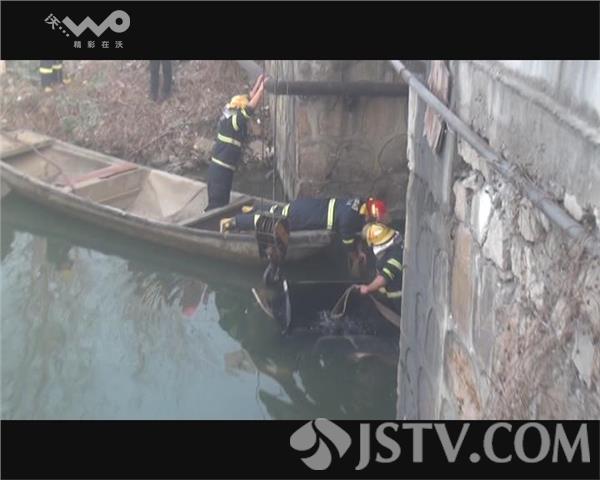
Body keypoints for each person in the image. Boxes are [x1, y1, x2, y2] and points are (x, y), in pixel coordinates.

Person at [220, 197, 388, 270]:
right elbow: (347, 240)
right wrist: (355, 256)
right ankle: (233, 222)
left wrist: (358, 248)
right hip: (306, 217)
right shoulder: (350, 217)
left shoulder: (359, 202)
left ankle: (254, 208)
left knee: (281, 211)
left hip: (307, 206)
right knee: (273, 223)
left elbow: (353, 230)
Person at [205, 74, 267, 211]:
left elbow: (248, 99)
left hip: (223, 170)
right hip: (220, 172)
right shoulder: (233, 121)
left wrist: (258, 84)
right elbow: (249, 109)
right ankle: (208, 222)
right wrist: (262, 90)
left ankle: (219, 221)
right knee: (216, 206)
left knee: (223, 204)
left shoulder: (230, 112)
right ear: (239, 109)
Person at [356, 222, 404, 314]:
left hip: (401, 300)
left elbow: (383, 278)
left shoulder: (395, 256)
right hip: (391, 297)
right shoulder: (397, 244)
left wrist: (367, 288)